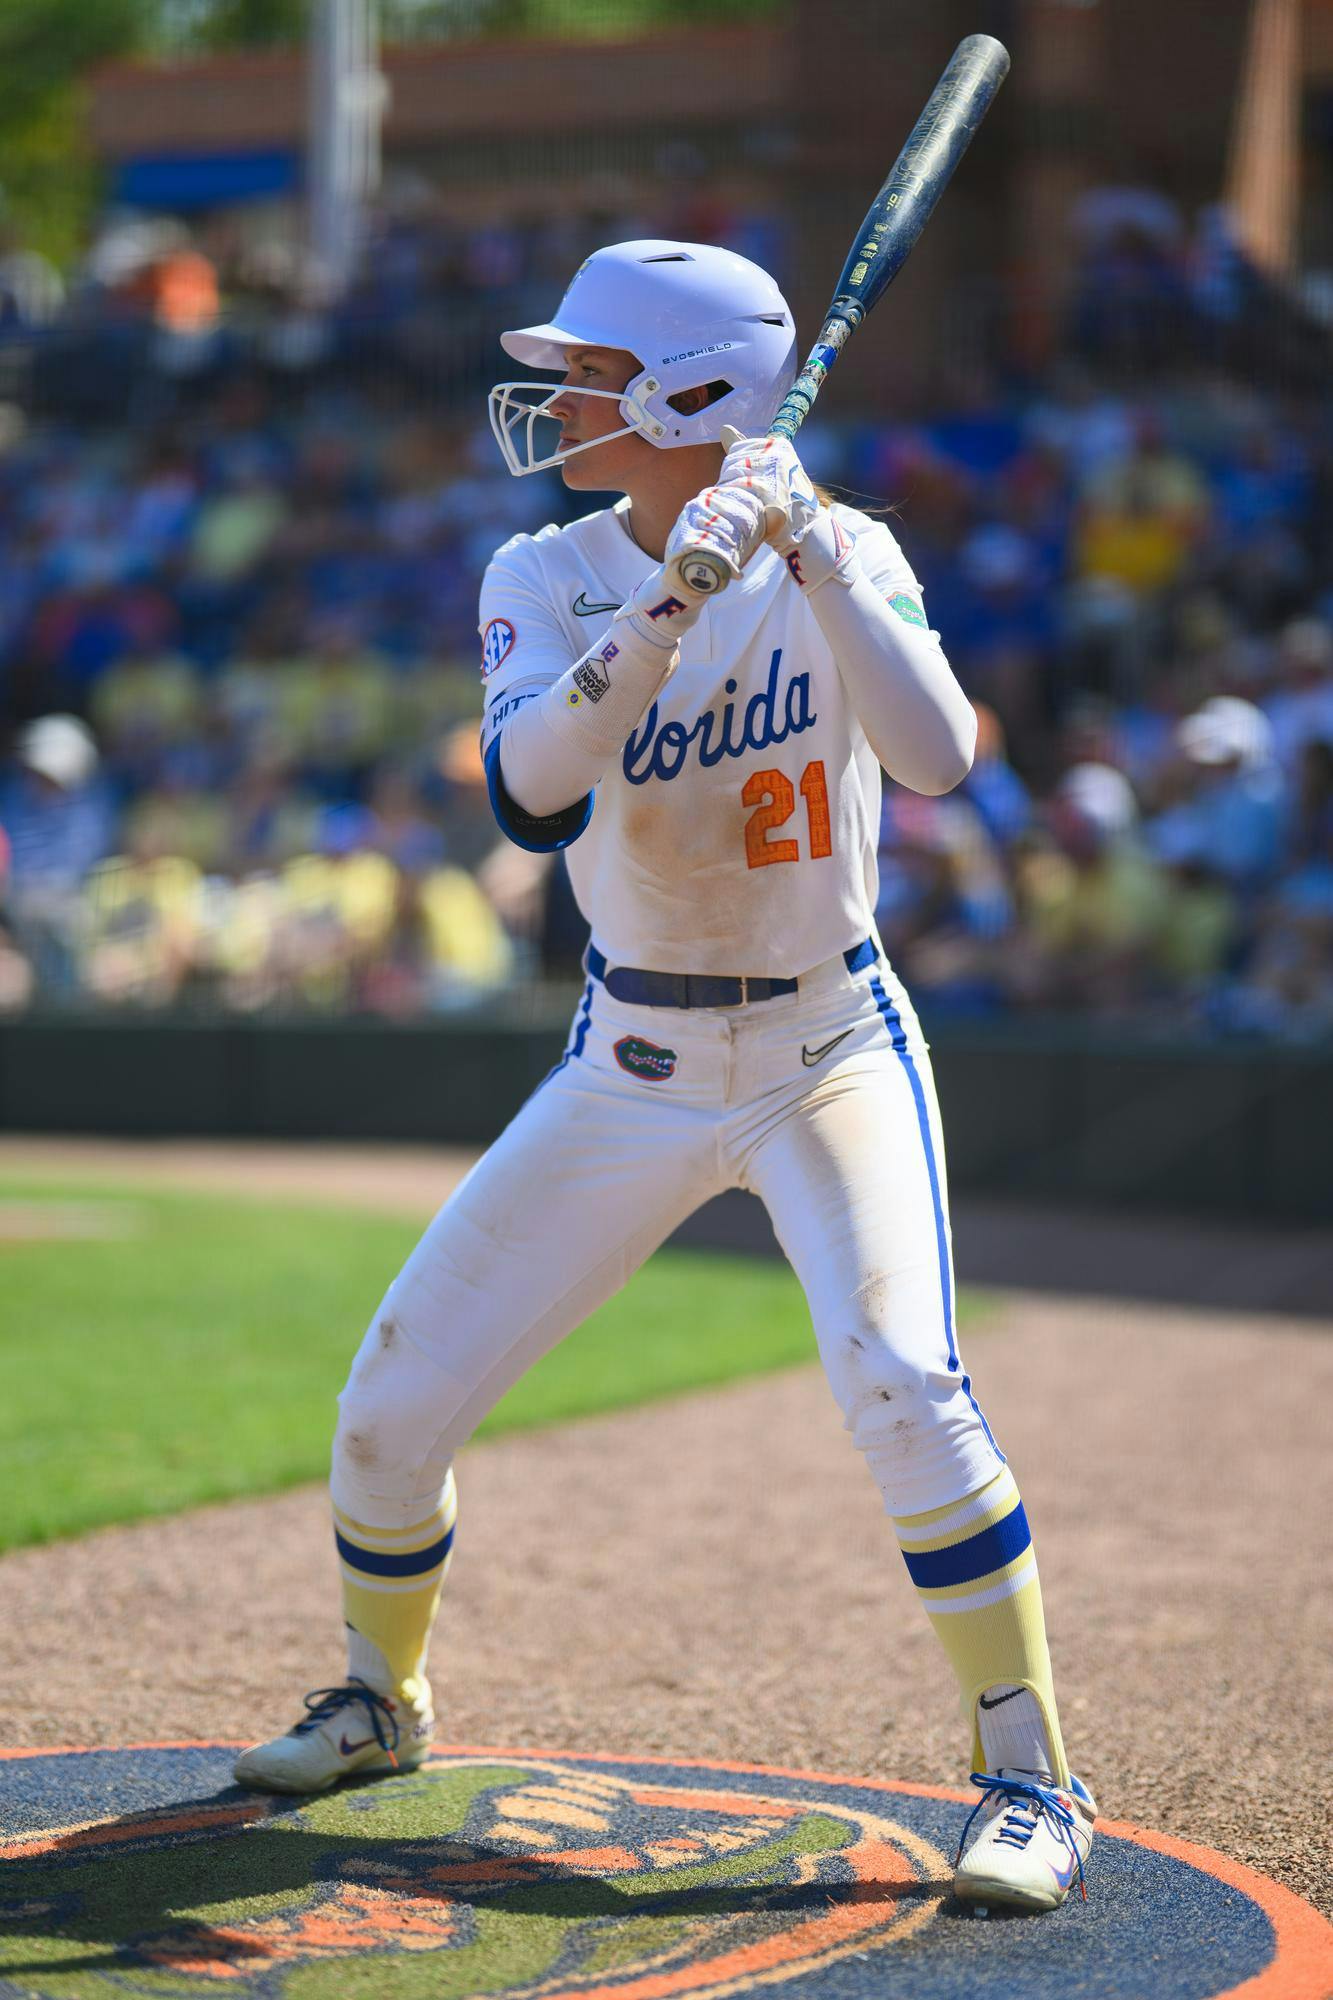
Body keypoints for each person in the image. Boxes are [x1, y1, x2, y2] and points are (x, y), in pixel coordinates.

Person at [235, 241, 1095, 1913]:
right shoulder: (540, 573)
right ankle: (380, 1699)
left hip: (825, 1040)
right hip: (626, 1054)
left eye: (582, 371)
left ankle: (1027, 1774)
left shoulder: (844, 545)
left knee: (903, 1380)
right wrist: (670, 600)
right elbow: (528, 793)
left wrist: (821, 562)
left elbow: (936, 759)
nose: (554, 397)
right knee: (390, 1404)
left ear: (689, 393)